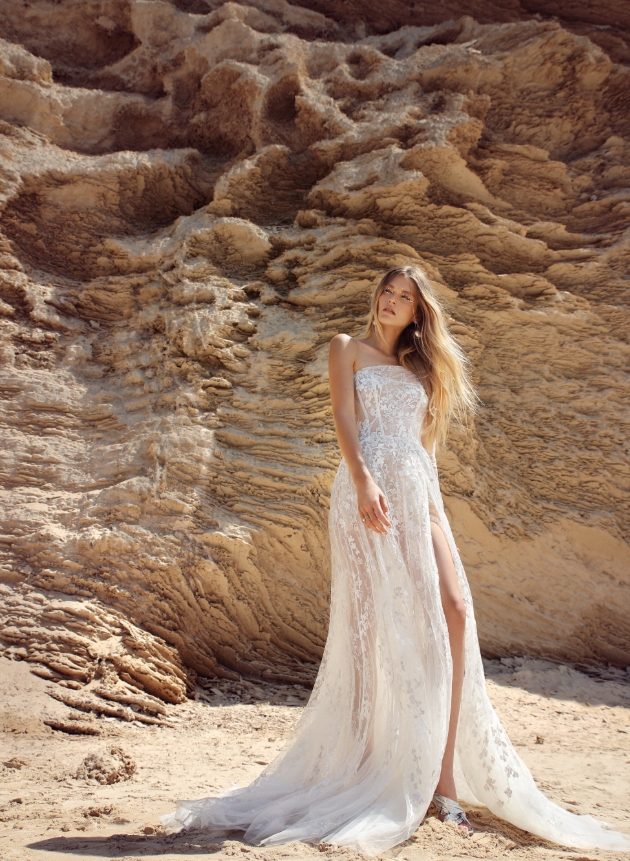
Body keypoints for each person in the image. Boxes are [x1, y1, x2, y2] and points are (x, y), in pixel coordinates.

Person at [162, 265, 630, 856]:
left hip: (417, 491)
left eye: (405, 297)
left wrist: (431, 509)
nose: (392, 300)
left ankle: (445, 779)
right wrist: (362, 482)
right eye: (387, 290)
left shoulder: (423, 369)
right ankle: (364, 763)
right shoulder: (346, 349)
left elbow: (423, 448)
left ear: (417, 312)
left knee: (456, 612)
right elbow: (344, 419)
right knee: (373, 628)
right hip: (366, 492)